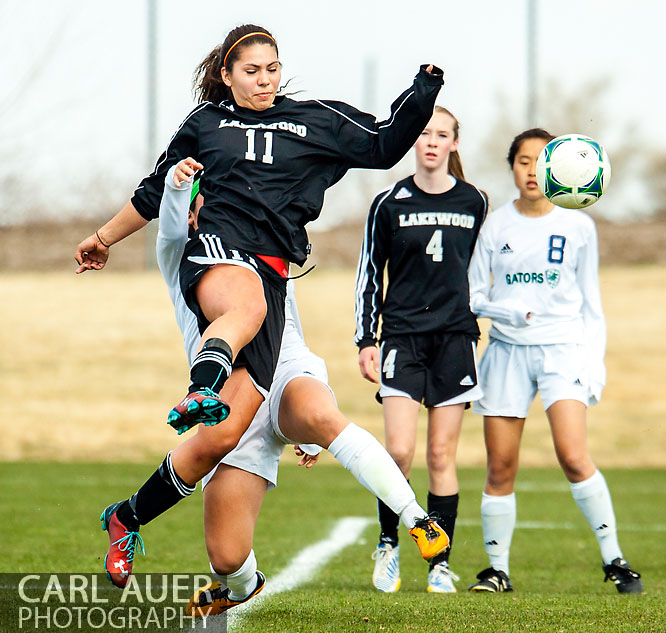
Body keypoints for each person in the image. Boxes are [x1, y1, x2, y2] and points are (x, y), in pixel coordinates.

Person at [73, 23, 445, 588]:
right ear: (226, 74)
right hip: (219, 254)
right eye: (251, 71)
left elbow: (386, 144)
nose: (264, 80)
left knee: (221, 445)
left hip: (273, 281)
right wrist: (103, 237)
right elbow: (154, 194)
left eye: (272, 68)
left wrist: (424, 88)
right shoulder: (205, 125)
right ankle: (202, 390)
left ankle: (127, 518)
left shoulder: (313, 120)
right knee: (243, 306)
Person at [149, 163, 446, 615]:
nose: (216, 213)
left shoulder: (262, 237)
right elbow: (170, 225)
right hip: (227, 402)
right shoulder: (180, 256)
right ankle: (243, 585)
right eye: (205, 207)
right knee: (227, 556)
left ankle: (418, 519)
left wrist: (304, 431)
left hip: (286, 370)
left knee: (321, 418)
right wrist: (177, 184)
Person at [464, 128, 641, 594]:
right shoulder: (494, 225)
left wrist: (594, 366)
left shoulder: (579, 225)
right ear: (512, 167)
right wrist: (509, 312)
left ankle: (615, 560)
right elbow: (473, 295)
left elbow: (591, 304)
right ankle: (496, 569)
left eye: (540, 161)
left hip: (563, 350)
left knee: (573, 455)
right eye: (522, 161)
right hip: (504, 351)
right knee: (500, 466)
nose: (530, 170)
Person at [354, 106, 488, 593]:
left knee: (440, 454)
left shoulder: (476, 201)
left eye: (443, 134)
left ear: (454, 144)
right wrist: (366, 340)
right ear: (415, 140)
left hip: (454, 339)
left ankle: (439, 564)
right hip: (402, 337)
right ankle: (389, 544)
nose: (432, 141)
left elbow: (482, 268)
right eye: (425, 133)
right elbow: (370, 274)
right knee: (399, 450)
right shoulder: (388, 202)